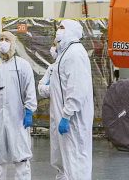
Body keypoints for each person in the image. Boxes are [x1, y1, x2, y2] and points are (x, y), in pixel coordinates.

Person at [0, 31, 37, 180]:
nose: (3, 42)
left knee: (21, 157)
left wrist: (29, 111)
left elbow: (30, 90)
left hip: (18, 118)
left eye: (7, 39)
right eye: (1, 39)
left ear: (13, 44)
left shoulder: (22, 65)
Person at [40, 20, 94, 179]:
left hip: (73, 120)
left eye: (62, 27)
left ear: (72, 31)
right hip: (64, 117)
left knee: (75, 161)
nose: (58, 31)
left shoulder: (75, 54)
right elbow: (58, 87)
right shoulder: (66, 54)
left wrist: (67, 115)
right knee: (64, 163)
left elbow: (77, 89)